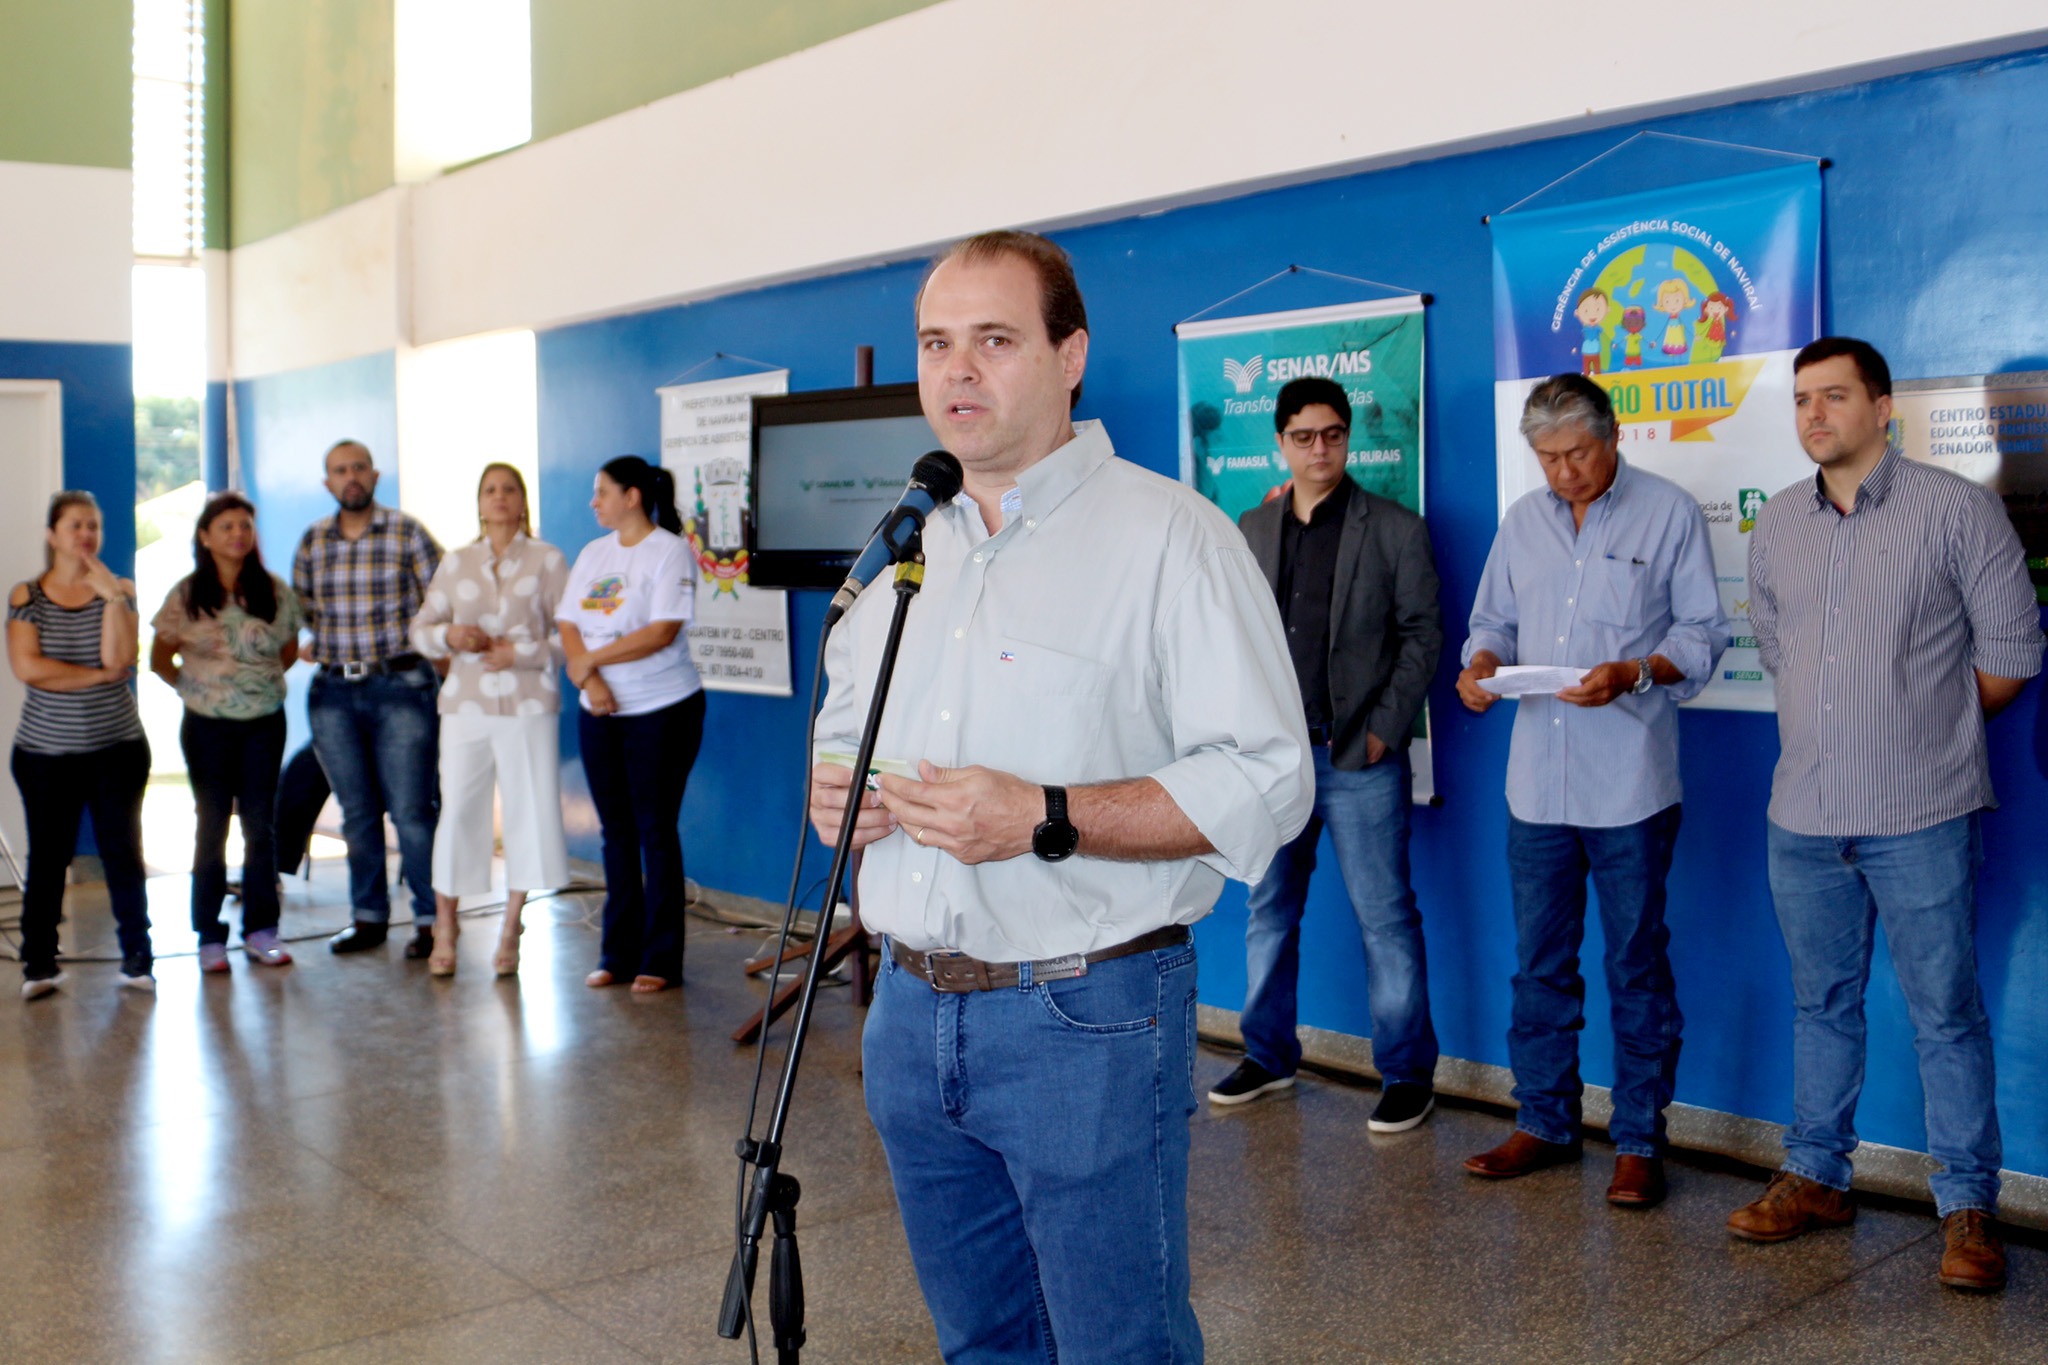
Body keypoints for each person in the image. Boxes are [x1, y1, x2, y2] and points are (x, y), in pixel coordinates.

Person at [811, 230, 1310, 1363]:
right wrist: (836, 795)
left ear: (1069, 353)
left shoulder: (1168, 537)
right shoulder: (902, 549)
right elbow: (844, 737)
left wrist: (1044, 813)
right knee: (981, 1341)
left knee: (1114, 1346)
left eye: (994, 340)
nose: (957, 372)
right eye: (936, 344)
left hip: (1082, 1014)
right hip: (903, 1008)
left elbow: (1267, 777)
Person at [1728, 337, 2042, 1292]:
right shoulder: (1778, 523)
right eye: (1801, 400)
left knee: (1946, 1013)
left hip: (1922, 809)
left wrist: (1920, 723)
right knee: (1821, 1003)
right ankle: (1817, 1175)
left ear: (1883, 406)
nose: (1813, 415)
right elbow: (1783, 652)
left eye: (1833, 397)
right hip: (1806, 811)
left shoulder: (1958, 511)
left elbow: (2012, 655)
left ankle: (1967, 1210)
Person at [1455, 374, 1726, 1210]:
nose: (1563, 472)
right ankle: (1544, 1119)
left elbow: (1704, 635)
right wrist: (1480, 666)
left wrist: (1635, 672)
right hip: (1536, 786)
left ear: (1614, 438)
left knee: (1635, 965)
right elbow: (1492, 621)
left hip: (1631, 788)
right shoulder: (1523, 521)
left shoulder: (1669, 511)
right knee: (1539, 965)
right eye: (1547, 458)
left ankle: (1640, 1138)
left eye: (1576, 453)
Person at [1208, 376, 1444, 1133]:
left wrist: (1382, 728)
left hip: (1357, 759)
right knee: (1269, 911)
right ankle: (1268, 1055)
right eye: (1305, 436)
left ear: (1348, 438)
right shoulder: (1252, 528)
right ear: (1280, 441)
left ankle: (1407, 1073)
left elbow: (1424, 637)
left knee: (1386, 918)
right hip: (1277, 761)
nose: (1321, 449)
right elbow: (1235, 641)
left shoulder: (1396, 530)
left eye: (1334, 434)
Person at [410, 463, 571, 977]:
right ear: (478, 503)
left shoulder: (548, 560)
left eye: (509, 490)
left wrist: (520, 653)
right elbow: (422, 628)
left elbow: (573, 635)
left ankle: (510, 927)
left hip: (529, 704)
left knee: (529, 813)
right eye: (490, 490)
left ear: (522, 501)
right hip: (465, 705)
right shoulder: (456, 563)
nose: (499, 498)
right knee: (457, 811)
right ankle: (445, 925)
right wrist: (449, 638)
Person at [557, 455, 704, 993]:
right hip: (599, 711)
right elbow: (569, 621)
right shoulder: (594, 552)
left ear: (632, 496)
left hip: (662, 712)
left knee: (654, 831)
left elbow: (662, 631)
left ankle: (661, 959)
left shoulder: (668, 551)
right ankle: (616, 953)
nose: (594, 502)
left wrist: (592, 663)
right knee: (614, 831)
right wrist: (589, 679)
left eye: (602, 492)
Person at [292, 440, 444, 957]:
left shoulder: (408, 533)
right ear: (327, 483)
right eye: (340, 470)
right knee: (356, 813)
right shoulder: (313, 542)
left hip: (400, 686)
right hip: (334, 692)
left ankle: (429, 920)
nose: (350, 477)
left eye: (359, 467)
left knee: (411, 811)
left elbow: (443, 602)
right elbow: (306, 611)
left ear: (375, 476)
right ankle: (369, 918)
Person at [149, 491, 303, 973]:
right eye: (227, 526)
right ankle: (209, 936)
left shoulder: (274, 591)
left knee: (260, 826)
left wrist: (251, 688)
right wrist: (200, 691)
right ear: (205, 537)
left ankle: (261, 930)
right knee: (211, 825)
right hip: (206, 728)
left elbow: (290, 649)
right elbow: (159, 659)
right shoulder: (186, 594)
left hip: (263, 724)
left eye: (245, 526)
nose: (238, 534)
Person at [6, 491, 152, 998]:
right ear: (53, 535)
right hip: (45, 755)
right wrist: (99, 676)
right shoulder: (27, 596)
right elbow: (29, 670)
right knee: (49, 856)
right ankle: (39, 965)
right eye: (75, 526)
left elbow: (123, 655)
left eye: (93, 525)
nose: (86, 535)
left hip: (117, 748)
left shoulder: (122, 589)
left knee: (122, 852)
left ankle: (137, 959)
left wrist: (112, 598)